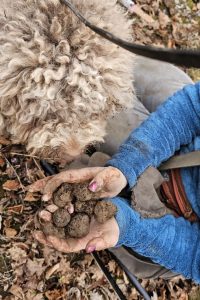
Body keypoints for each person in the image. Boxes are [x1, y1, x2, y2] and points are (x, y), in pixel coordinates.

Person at [29, 56, 200, 283]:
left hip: (171, 222)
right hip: (188, 140)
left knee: (83, 98)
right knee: (114, 61)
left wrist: (128, 226)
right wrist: (127, 164)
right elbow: (192, 107)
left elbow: (192, 255)